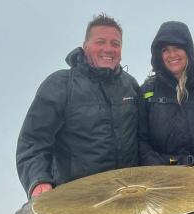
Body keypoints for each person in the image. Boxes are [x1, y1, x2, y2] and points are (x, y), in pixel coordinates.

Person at [17, 14, 139, 197]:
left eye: (115, 44)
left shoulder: (130, 86)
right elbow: (33, 141)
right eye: (100, 42)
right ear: (85, 46)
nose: (108, 49)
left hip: (128, 196)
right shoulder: (60, 84)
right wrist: (38, 180)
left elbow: (144, 137)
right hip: (77, 200)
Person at [139, 21, 194, 171]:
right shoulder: (147, 90)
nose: (172, 54)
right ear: (159, 55)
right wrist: (161, 170)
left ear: (188, 50)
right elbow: (140, 140)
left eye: (177, 47)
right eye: (165, 50)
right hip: (160, 177)